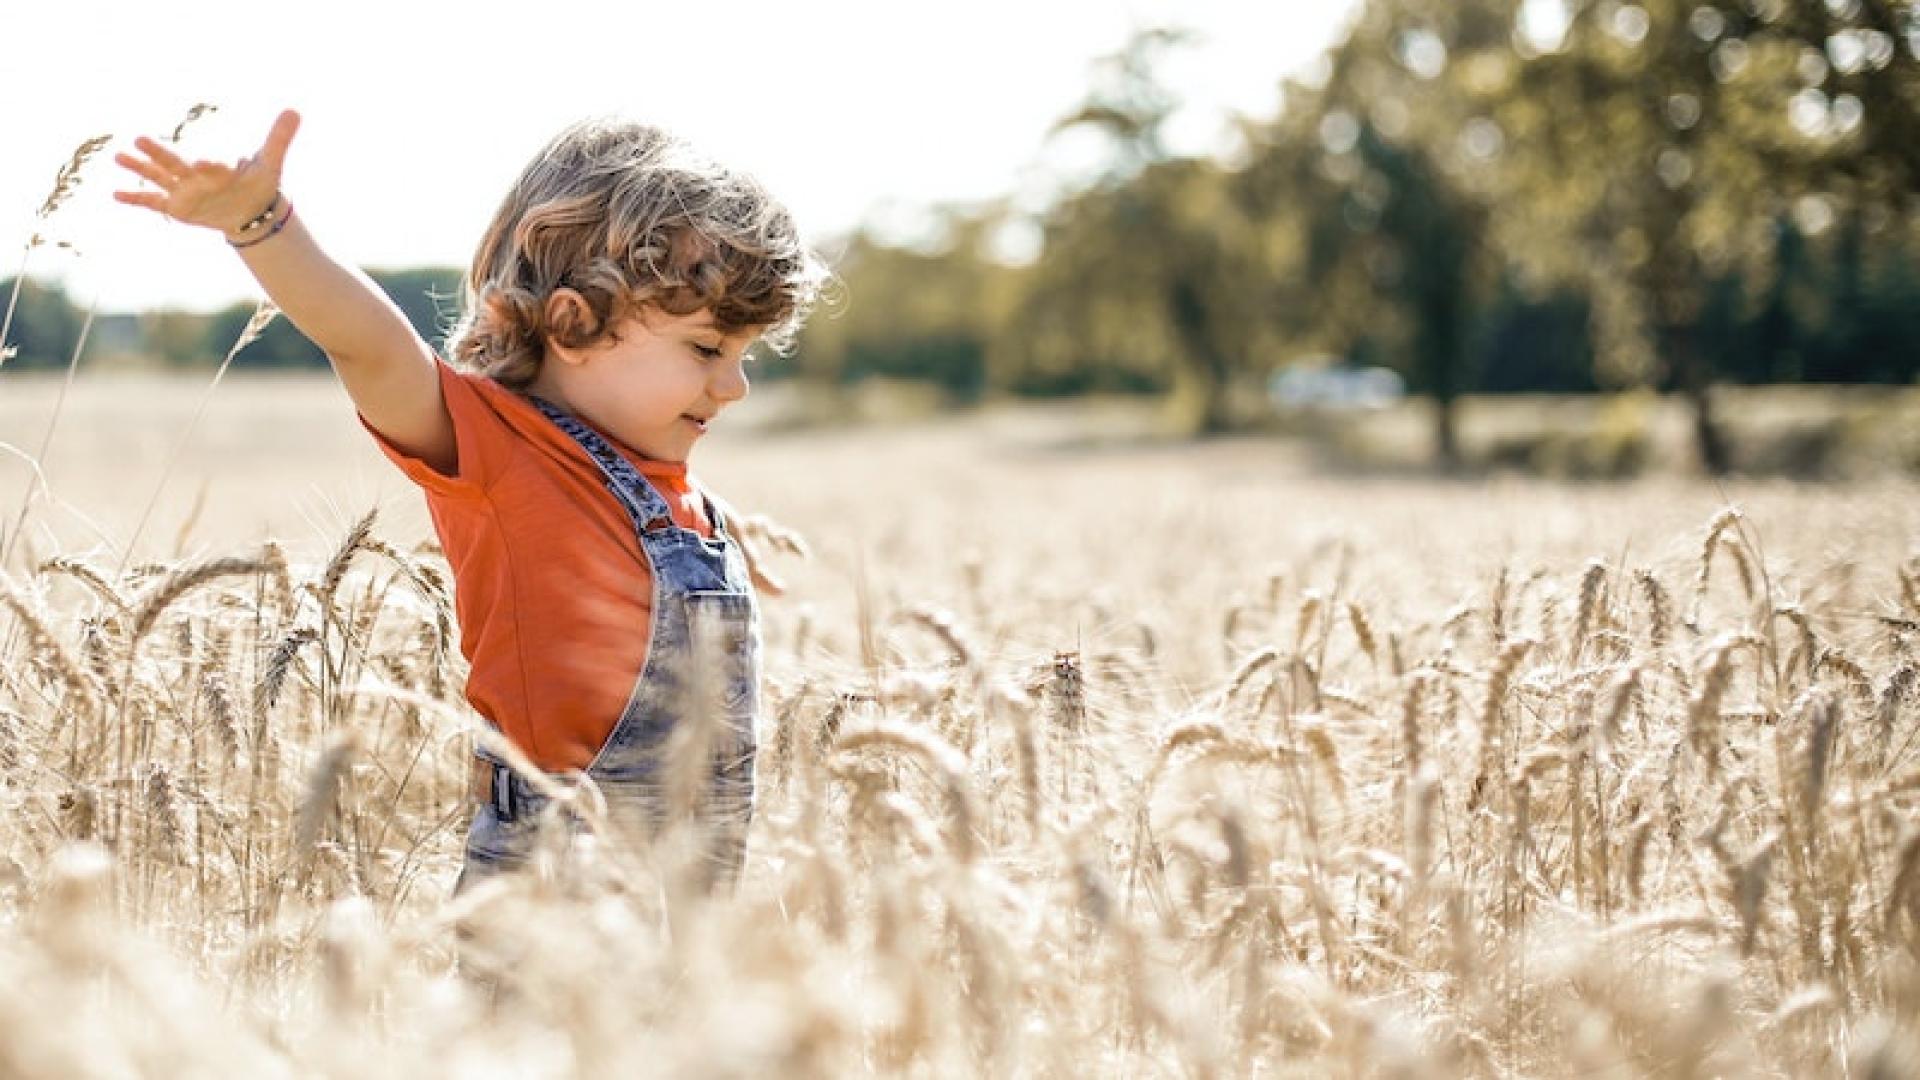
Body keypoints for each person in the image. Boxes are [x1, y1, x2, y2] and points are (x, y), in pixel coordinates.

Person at [113, 110, 827, 892]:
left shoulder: (672, 491)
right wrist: (261, 224)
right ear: (572, 321)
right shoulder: (498, 452)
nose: (736, 385)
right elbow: (372, 345)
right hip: (552, 883)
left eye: (744, 354)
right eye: (706, 349)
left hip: (690, 890)